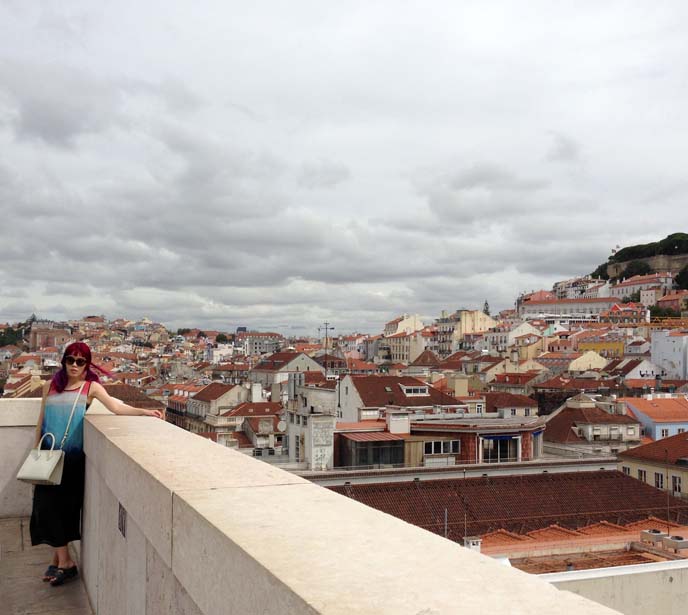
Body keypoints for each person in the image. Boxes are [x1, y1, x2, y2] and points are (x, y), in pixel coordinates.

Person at [30, 342, 162, 586]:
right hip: (47, 456)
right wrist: (34, 449)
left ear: (87, 365)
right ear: (64, 361)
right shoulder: (50, 386)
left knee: (63, 510)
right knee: (45, 508)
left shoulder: (91, 388)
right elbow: (41, 420)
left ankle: (65, 562)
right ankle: (61, 560)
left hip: (71, 460)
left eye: (81, 362)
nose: (75, 366)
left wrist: (144, 412)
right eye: (71, 360)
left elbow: (116, 407)